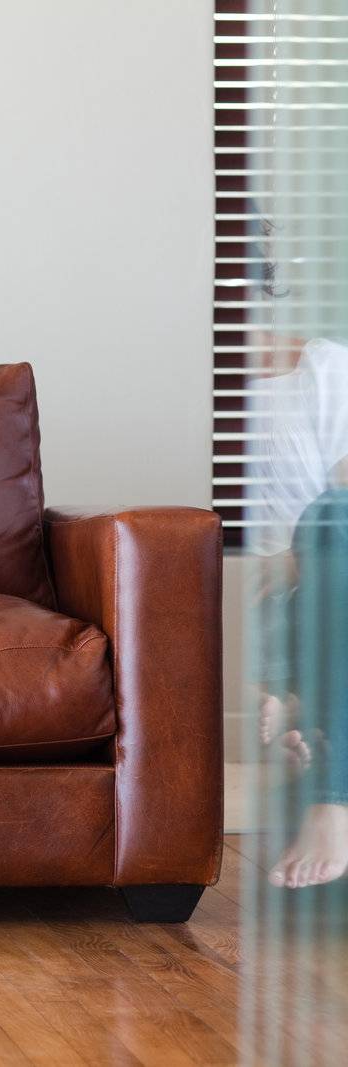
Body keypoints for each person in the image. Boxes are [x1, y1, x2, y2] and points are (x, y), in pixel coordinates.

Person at [252, 336, 348, 889]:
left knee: (329, 515)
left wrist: (294, 555)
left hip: (318, 561)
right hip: (292, 606)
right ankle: (299, 703)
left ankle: (333, 799)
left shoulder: (324, 366)